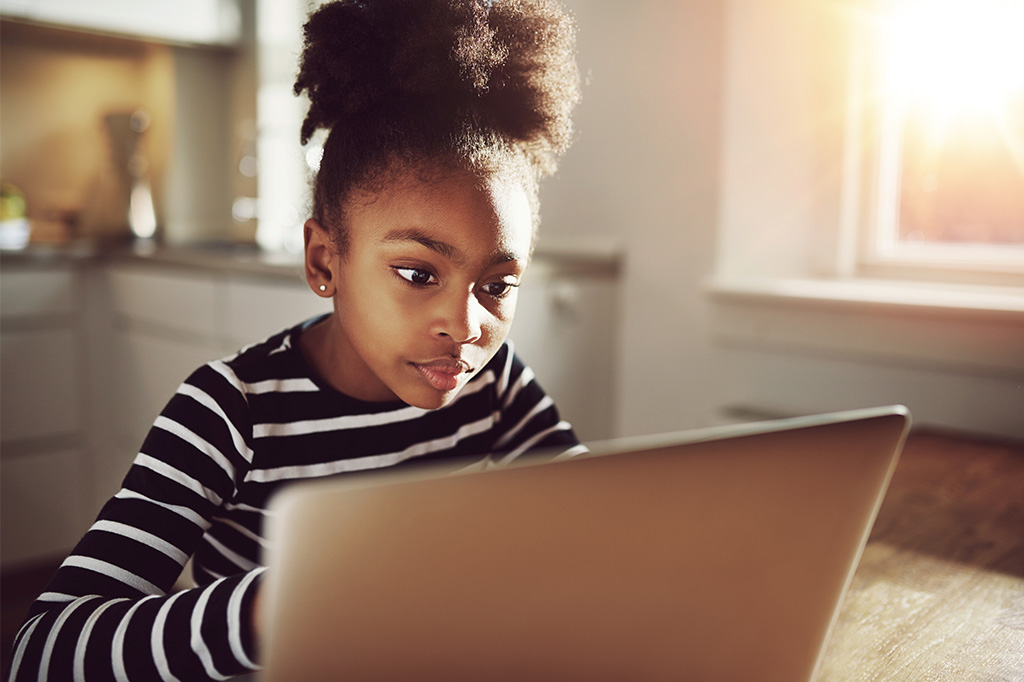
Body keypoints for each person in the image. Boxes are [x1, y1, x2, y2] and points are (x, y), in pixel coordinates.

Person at [6, 0, 583, 679]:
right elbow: (44, 649)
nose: (466, 325)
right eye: (417, 272)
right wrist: (278, 604)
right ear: (324, 261)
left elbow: (586, 518)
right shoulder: (232, 412)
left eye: (497, 284)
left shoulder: (496, 383)